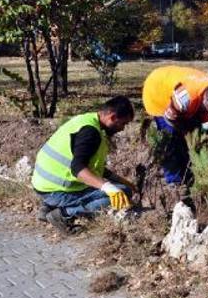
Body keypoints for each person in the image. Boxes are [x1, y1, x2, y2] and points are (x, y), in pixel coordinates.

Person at [32, 96, 136, 234]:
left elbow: (92, 166)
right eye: (123, 124)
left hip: (44, 184)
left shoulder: (86, 120)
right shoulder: (91, 133)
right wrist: (109, 187)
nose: (122, 129)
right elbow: (78, 169)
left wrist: (120, 180)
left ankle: (49, 206)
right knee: (123, 194)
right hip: (56, 189)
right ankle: (63, 214)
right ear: (112, 117)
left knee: (119, 188)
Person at [142, 65, 208, 185]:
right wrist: (188, 135)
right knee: (171, 140)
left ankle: (191, 173)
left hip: (185, 95)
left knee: (193, 136)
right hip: (158, 90)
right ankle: (174, 182)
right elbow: (171, 119)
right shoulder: (184, 98)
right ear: (205, 98)